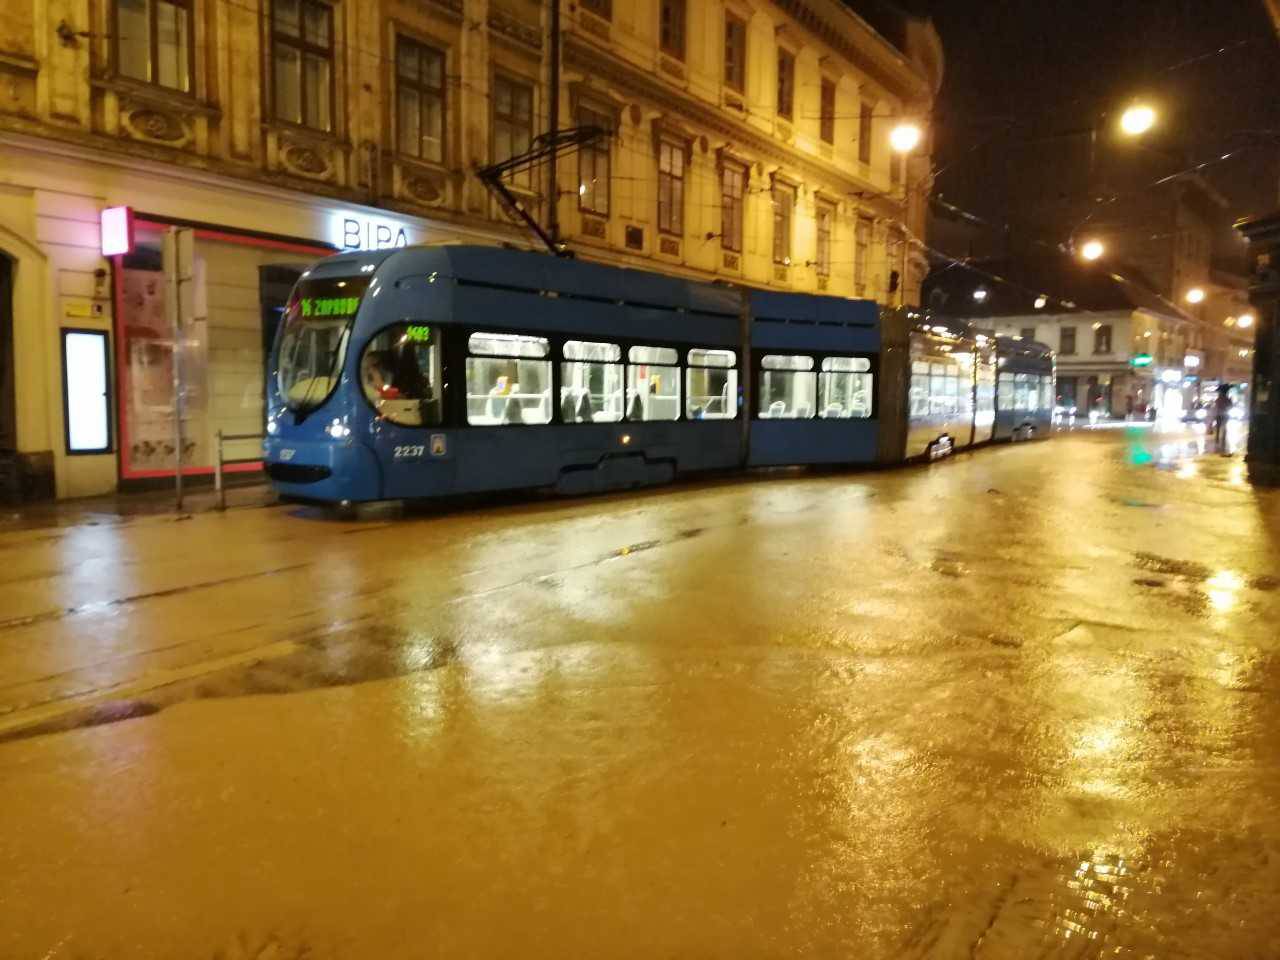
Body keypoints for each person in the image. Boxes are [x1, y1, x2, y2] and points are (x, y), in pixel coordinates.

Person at [1213, 384, 1232, 453]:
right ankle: (1221, 440)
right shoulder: (1226, 399)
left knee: (1219, 427)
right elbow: (1230, 405)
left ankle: (1218, 440)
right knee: (1223, 427)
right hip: (1224, 415)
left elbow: (1216, 407)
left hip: (1220, 415)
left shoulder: (1220, 399)